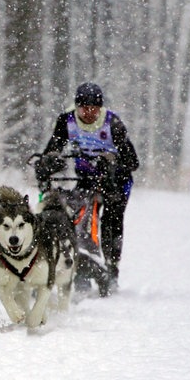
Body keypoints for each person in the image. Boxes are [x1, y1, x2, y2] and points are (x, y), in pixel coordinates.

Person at [38, 82, 139, 291]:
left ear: (100, 108)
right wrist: (49, 162)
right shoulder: (66, 121)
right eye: (84, 108)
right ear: (76, 107)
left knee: (110, 222)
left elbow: (132, 161)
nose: (89, 113)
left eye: (94, 108)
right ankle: (83, 267)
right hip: (86, 177)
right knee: (79, 219)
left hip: (116, 180)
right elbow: (53, 149)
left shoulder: (113, 124)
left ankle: (112, 270)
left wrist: (110, 159)